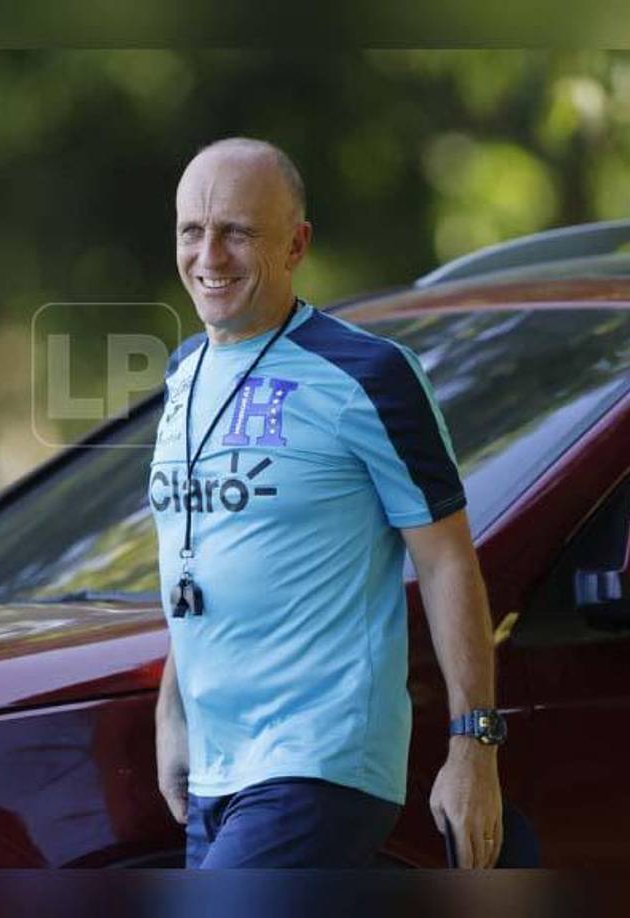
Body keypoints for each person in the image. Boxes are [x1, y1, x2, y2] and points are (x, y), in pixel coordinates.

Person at [150, 137, 505, 869]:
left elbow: (445, 562)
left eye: (238, 232)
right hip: (217, 769)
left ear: (297, 244)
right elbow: (200, 548)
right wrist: (172, 709)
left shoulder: (367, 373)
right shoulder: (185, 369)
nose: (209, 256)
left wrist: (474, 745)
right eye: (193, 231)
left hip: (320, 759)